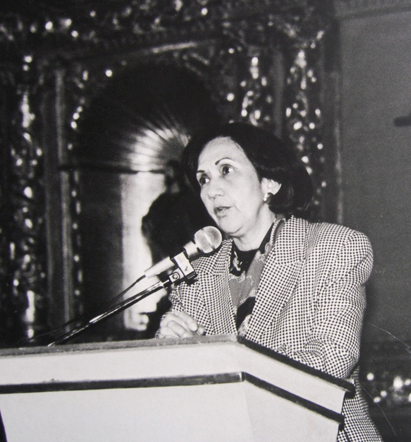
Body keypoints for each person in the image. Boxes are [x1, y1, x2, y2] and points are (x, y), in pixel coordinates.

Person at [156, 123, 382, 441]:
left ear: (269, 182)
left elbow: (332, 359)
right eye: (203, 179)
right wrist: (170, 348)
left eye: (226, 171)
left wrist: (227, 367)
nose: (211, 190)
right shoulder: (197, 274)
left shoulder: (333, 247)